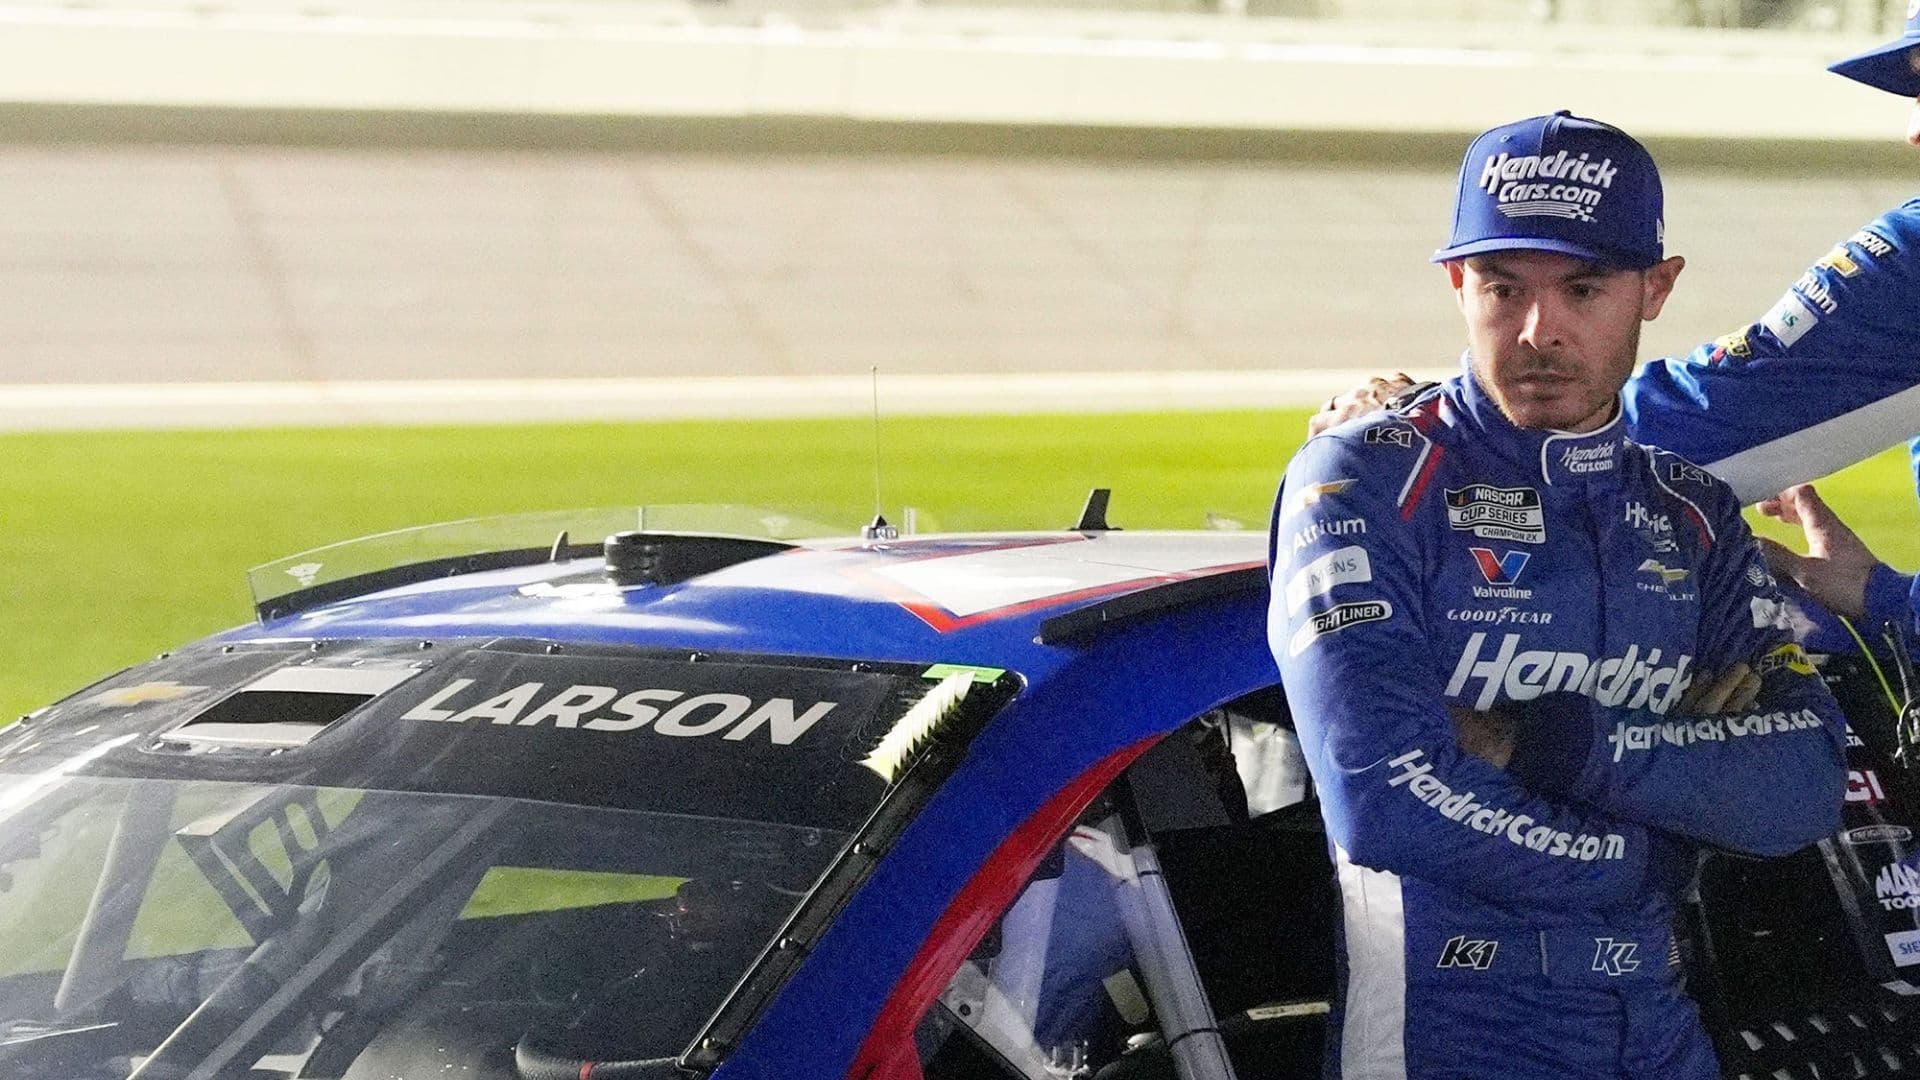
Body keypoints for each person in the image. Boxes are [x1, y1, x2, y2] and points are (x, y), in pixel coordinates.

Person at [1271, 111, 1849, 1079]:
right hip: (1448, 1037)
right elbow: (1384, 799)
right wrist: (1659, 836)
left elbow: (1802, 784)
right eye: (1504, 287)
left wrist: (1532, 744)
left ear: (1656, 289)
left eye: (1582, 289)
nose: (1539, 331)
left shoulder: (1694, 517)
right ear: (1458, 285)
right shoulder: (1362, 481)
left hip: (1660, 1033)